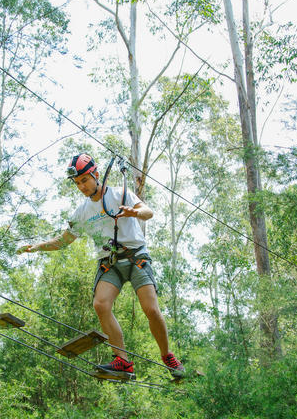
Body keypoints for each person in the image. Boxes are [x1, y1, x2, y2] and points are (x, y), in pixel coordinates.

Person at [17, 153, 184, 381]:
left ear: (96, 175)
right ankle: (123, 361)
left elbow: (148, 212)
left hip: (136, 257)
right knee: (100, 304)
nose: (82, 186)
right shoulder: (82, 211)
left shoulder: (119, 194)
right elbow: (63, 241)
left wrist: (134, 212)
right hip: (110, 263)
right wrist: (36, 247)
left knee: (151, 310)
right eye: (77, 183)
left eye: (84, 180)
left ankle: (167, 357)